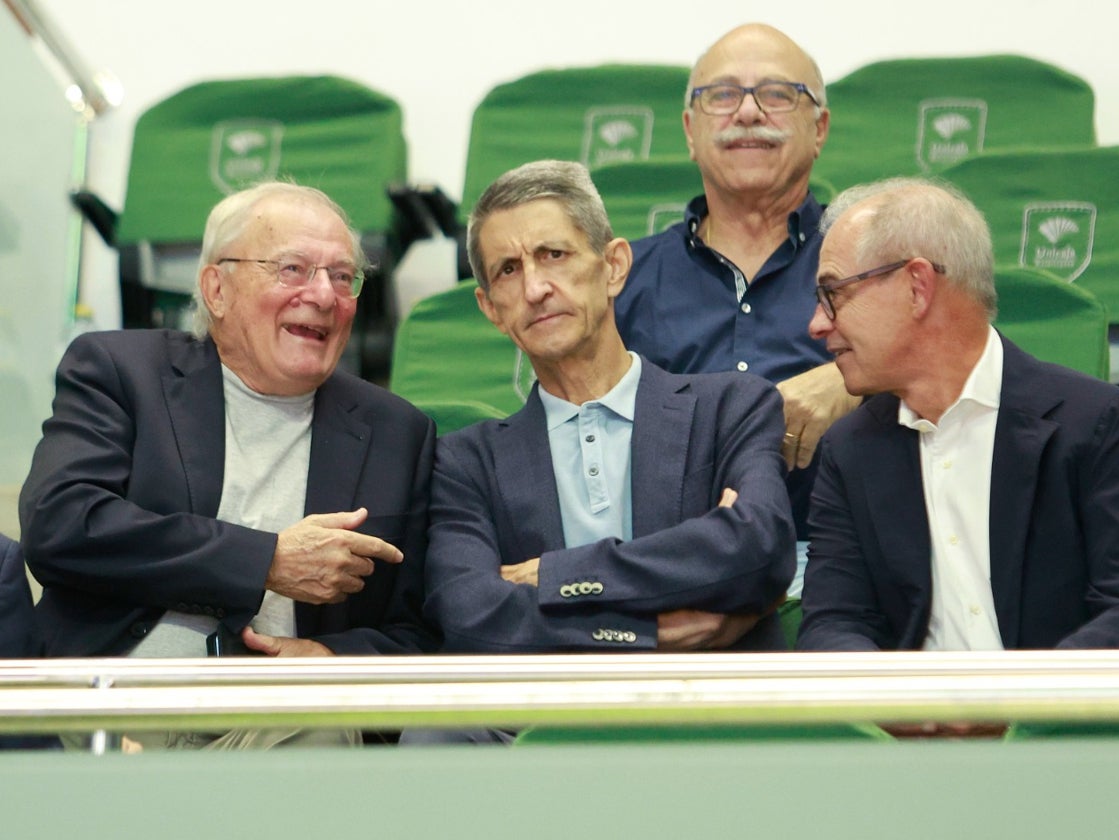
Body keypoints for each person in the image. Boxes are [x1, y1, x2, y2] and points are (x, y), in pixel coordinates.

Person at [19, 181, 438, 748]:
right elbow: (62, 524)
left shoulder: (398, 432)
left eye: (343, 277)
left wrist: (327, 655)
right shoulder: (123, 372)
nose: (323, 294)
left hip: (277, 723)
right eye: (292, 268)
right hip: (110, 705)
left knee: (319, 721)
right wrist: (263, 561)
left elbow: (416, 635)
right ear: (217, 288)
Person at [423, 159, 796, 662]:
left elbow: (760, 548)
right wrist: (642, 634)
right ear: (491, 308)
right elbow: (471, 615)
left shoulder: (730, 407)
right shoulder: (465, 462)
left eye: (553, 254)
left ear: (614, 266)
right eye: (508, 271)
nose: (535, 288)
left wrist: (558, 575)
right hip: (539, 717)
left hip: (708, 702)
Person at [797, 177, 1119, 654]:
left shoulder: (1103, 426)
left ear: (917, 287)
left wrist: (1018, 706)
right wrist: (911, 710)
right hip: (908, 724)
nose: (817, 324)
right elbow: (832, 624)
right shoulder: (851, 449)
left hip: (1057, 722)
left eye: (833, 293)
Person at [614, 23, 858, 595]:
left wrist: (852, 383)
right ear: (690, 131)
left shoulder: (876, 261)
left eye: (776, 94)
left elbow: (960, 370)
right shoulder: (620, 281)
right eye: (722, 95)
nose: (748, 112)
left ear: (818, 127)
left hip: (846, 557)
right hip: (666, 567)